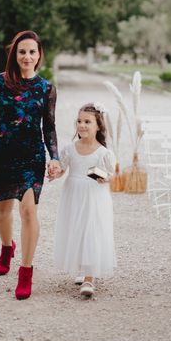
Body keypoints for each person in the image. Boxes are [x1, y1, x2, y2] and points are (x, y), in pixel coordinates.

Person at [0, 30, 61, 300]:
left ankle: (26, 271)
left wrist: (55, 157)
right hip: (3, 155)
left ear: (38, 56)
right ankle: (6, 247)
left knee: (28, 212)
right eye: (22, 51)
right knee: (3, 212)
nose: (27, 56)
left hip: (32, 157)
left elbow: (49, 127)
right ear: (15, 54)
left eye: (32, 52)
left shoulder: (46, 88)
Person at [53, 103, 116, 298]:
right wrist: (54, 171)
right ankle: (81, 267)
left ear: (98, 126)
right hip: (73, 193)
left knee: (92, 231)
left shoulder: (103, 153)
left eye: (87, 122)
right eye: (79, 121)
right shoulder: (70, 149)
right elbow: (62, 169)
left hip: (94, 196)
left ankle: (90, 277)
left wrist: (105, 178)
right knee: (76, 229)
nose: (82, 125)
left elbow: (111, 174)